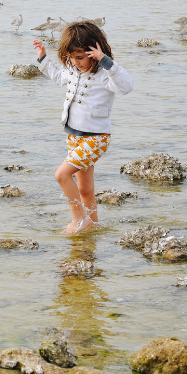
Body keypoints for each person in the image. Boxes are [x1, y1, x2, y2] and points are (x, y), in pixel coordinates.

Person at [33, 21, 134, 234]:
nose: (75, 62)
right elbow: (59, 76)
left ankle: (79, 221)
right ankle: (93, 226)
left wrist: (107, 62)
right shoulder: (72, 69)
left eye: (80, 57)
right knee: (85, 189)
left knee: (61, 175)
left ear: (94, 53)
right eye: (71, 57)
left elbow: (127, 86)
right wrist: (43, 58)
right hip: (74, 136)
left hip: (96, 138)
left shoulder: (106, 74)